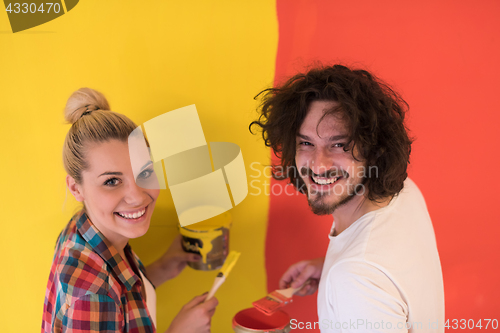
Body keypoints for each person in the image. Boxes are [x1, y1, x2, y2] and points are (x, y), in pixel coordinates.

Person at [251, 65, 444, 332]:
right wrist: (330, 266)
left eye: (339, 144)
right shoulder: (405, 191)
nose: (318, 166)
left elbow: (363, 274)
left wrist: (344, 274)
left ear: (375, 150)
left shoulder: (355, 280)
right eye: (306, 143)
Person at [42, 88, 218, 333]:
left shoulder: (84, 227)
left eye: (145, 173)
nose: (138, 197)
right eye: (112, 181)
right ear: (76, 188)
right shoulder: (92, 296)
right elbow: (104, 296)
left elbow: (119, 296)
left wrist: (164, 267)